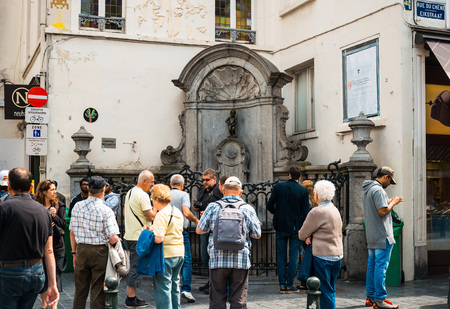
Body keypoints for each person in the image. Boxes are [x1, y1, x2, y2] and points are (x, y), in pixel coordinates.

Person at [196, 176, 261, 308]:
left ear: (223, 191)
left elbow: (199, 230)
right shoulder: (247, 208)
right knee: (238, 300)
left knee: (217, 299)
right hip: (240, 259)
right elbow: (257, 234)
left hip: (217, 259)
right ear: (240, 192)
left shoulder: (213, 207)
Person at [0, 168, 59, 307]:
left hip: (9, 272)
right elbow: (49, 251)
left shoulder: (4, 209)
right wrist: (53, 284)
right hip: (36, 272)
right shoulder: (44, 212)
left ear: (9, 186)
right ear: (31, 187)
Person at [69, 176, 120, 309]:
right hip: (100, 252)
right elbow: (113, 237)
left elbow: (72, 232)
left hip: (81, 250)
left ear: (89, 189)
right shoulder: (106, 210)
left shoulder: (77, 206)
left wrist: (74, 253)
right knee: (97, 290)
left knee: (80, 290)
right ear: (103, 190)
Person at [298, 180, 343, 309]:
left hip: (322, 255)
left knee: (324, 291)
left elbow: (301, 234)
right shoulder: (334, 210)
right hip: (337, 254)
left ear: (316, 195)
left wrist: (308, 235)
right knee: (330, 288)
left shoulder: (316, 212)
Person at [363, 167, 403, 309]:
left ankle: (371, 297)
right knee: (381, 268)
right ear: (385, 177)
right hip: (382, 235)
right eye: (389, 181)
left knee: (372, 266)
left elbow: (378, 208)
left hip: (373, 235)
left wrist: (389, 201)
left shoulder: (368, 189)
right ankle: (380, 300)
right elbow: (382, 211)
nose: (389, 184)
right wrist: (394, 202)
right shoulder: (379, 190)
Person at [266, 166, 310, 294]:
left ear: (289, 175)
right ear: (299, 177)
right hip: (296, 226)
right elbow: (306, 211)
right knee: (293, 255)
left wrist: (277, 212)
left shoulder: (279, 187)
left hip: (280, 224)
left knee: (280, 255)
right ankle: (290, 284)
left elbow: (269, 205)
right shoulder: (303, 190)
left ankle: (282, 285)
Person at [123, 170, 157, 308]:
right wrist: (156, 204)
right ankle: (130, 299)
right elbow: (151, 216)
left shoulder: (130, 192)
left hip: (131, 235)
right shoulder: (142, 195)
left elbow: (125, 212)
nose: (153, 184)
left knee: (135, 266)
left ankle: (132, 297)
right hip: (139, 237)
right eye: (152, 181)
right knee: (136, 268)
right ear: (144, 181)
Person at [148, 184, 184, 309]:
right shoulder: (177, 211)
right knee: (175, 286)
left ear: (157, 200)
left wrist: (147, 234)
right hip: (179, 253)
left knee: (163, 288)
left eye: (152, 199)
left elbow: (159, 238)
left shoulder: (161, 214)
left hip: (166, 254)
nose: (152, 202)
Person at [35, 179, 67, 309]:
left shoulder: (59, 205)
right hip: (41, 246)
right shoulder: (36, 206)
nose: (55, 192)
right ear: (44, 192)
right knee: (42, 276)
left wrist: (54, 216)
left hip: (57, 246)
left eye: (55, 189)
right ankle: (43, 304)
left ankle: (54, 306)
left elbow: (64, 225)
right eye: (52, 190)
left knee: (55, 276)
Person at [169, 174, 199, 303]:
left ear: (171, 184)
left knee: (168, 259)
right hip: (180, 231)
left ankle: (169, 288)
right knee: (186, 260)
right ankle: (186, 289)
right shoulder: (184, 195)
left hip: (166, 231)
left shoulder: (165, 194)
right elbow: (186, 212)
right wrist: (196, 220)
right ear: (182, 185)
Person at [194, 168, 223, 294]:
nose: (205, 182)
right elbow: (197, 204)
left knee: (214, 255)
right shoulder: (202, 191)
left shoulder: (219, 192)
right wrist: (198, 208)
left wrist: (206, 211)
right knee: (205, 255)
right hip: (204, 227)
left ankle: (215, 284)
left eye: (207, 180)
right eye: (203, 180)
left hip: (215, 228)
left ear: (214, 179)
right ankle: (211, 280)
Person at [296, 179, 316, 289]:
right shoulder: (315, 202)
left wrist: (307, 234)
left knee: (304, 256)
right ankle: (312, 278)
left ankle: (305, 280)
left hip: (304, 232)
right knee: (311, 257)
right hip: (313, 233)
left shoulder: (302, 201)